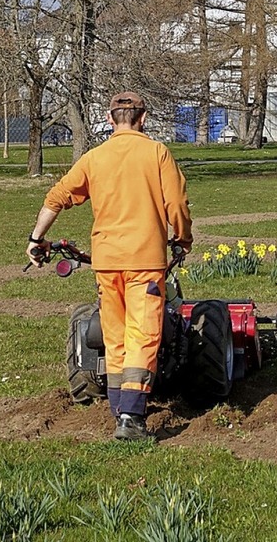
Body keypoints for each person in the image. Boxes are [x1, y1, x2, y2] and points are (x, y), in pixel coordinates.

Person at [26, 92, 193, 441]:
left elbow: (56, 197)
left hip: (107, 263)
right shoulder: (157, 153)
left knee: (114, 336)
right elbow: (176, 201)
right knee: (143, 335)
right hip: (144, 261)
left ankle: (120, 412)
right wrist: (182, 236)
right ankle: (131, 419)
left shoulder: (94, 158)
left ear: (109, 118)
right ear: (143, 118)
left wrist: (36, 237)